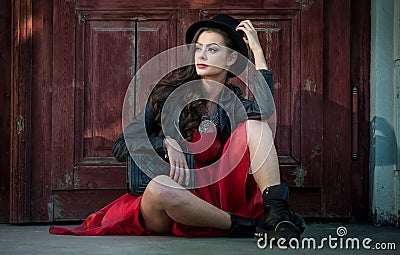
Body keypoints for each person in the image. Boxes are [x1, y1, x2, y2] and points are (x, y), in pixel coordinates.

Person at [49, 14, 305, 240]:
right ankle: (248, 227)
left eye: (212, 49)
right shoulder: (167, 94)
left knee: (257, 127)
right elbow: (121, 146)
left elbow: (265, 110)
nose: (202, 55)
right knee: (160, 187)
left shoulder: (235, 102)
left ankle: (276, 212)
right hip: (175, 202)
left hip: (217, 199)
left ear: (230, 60)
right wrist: (165, 143)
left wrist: (258, 53)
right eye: (198, 48)